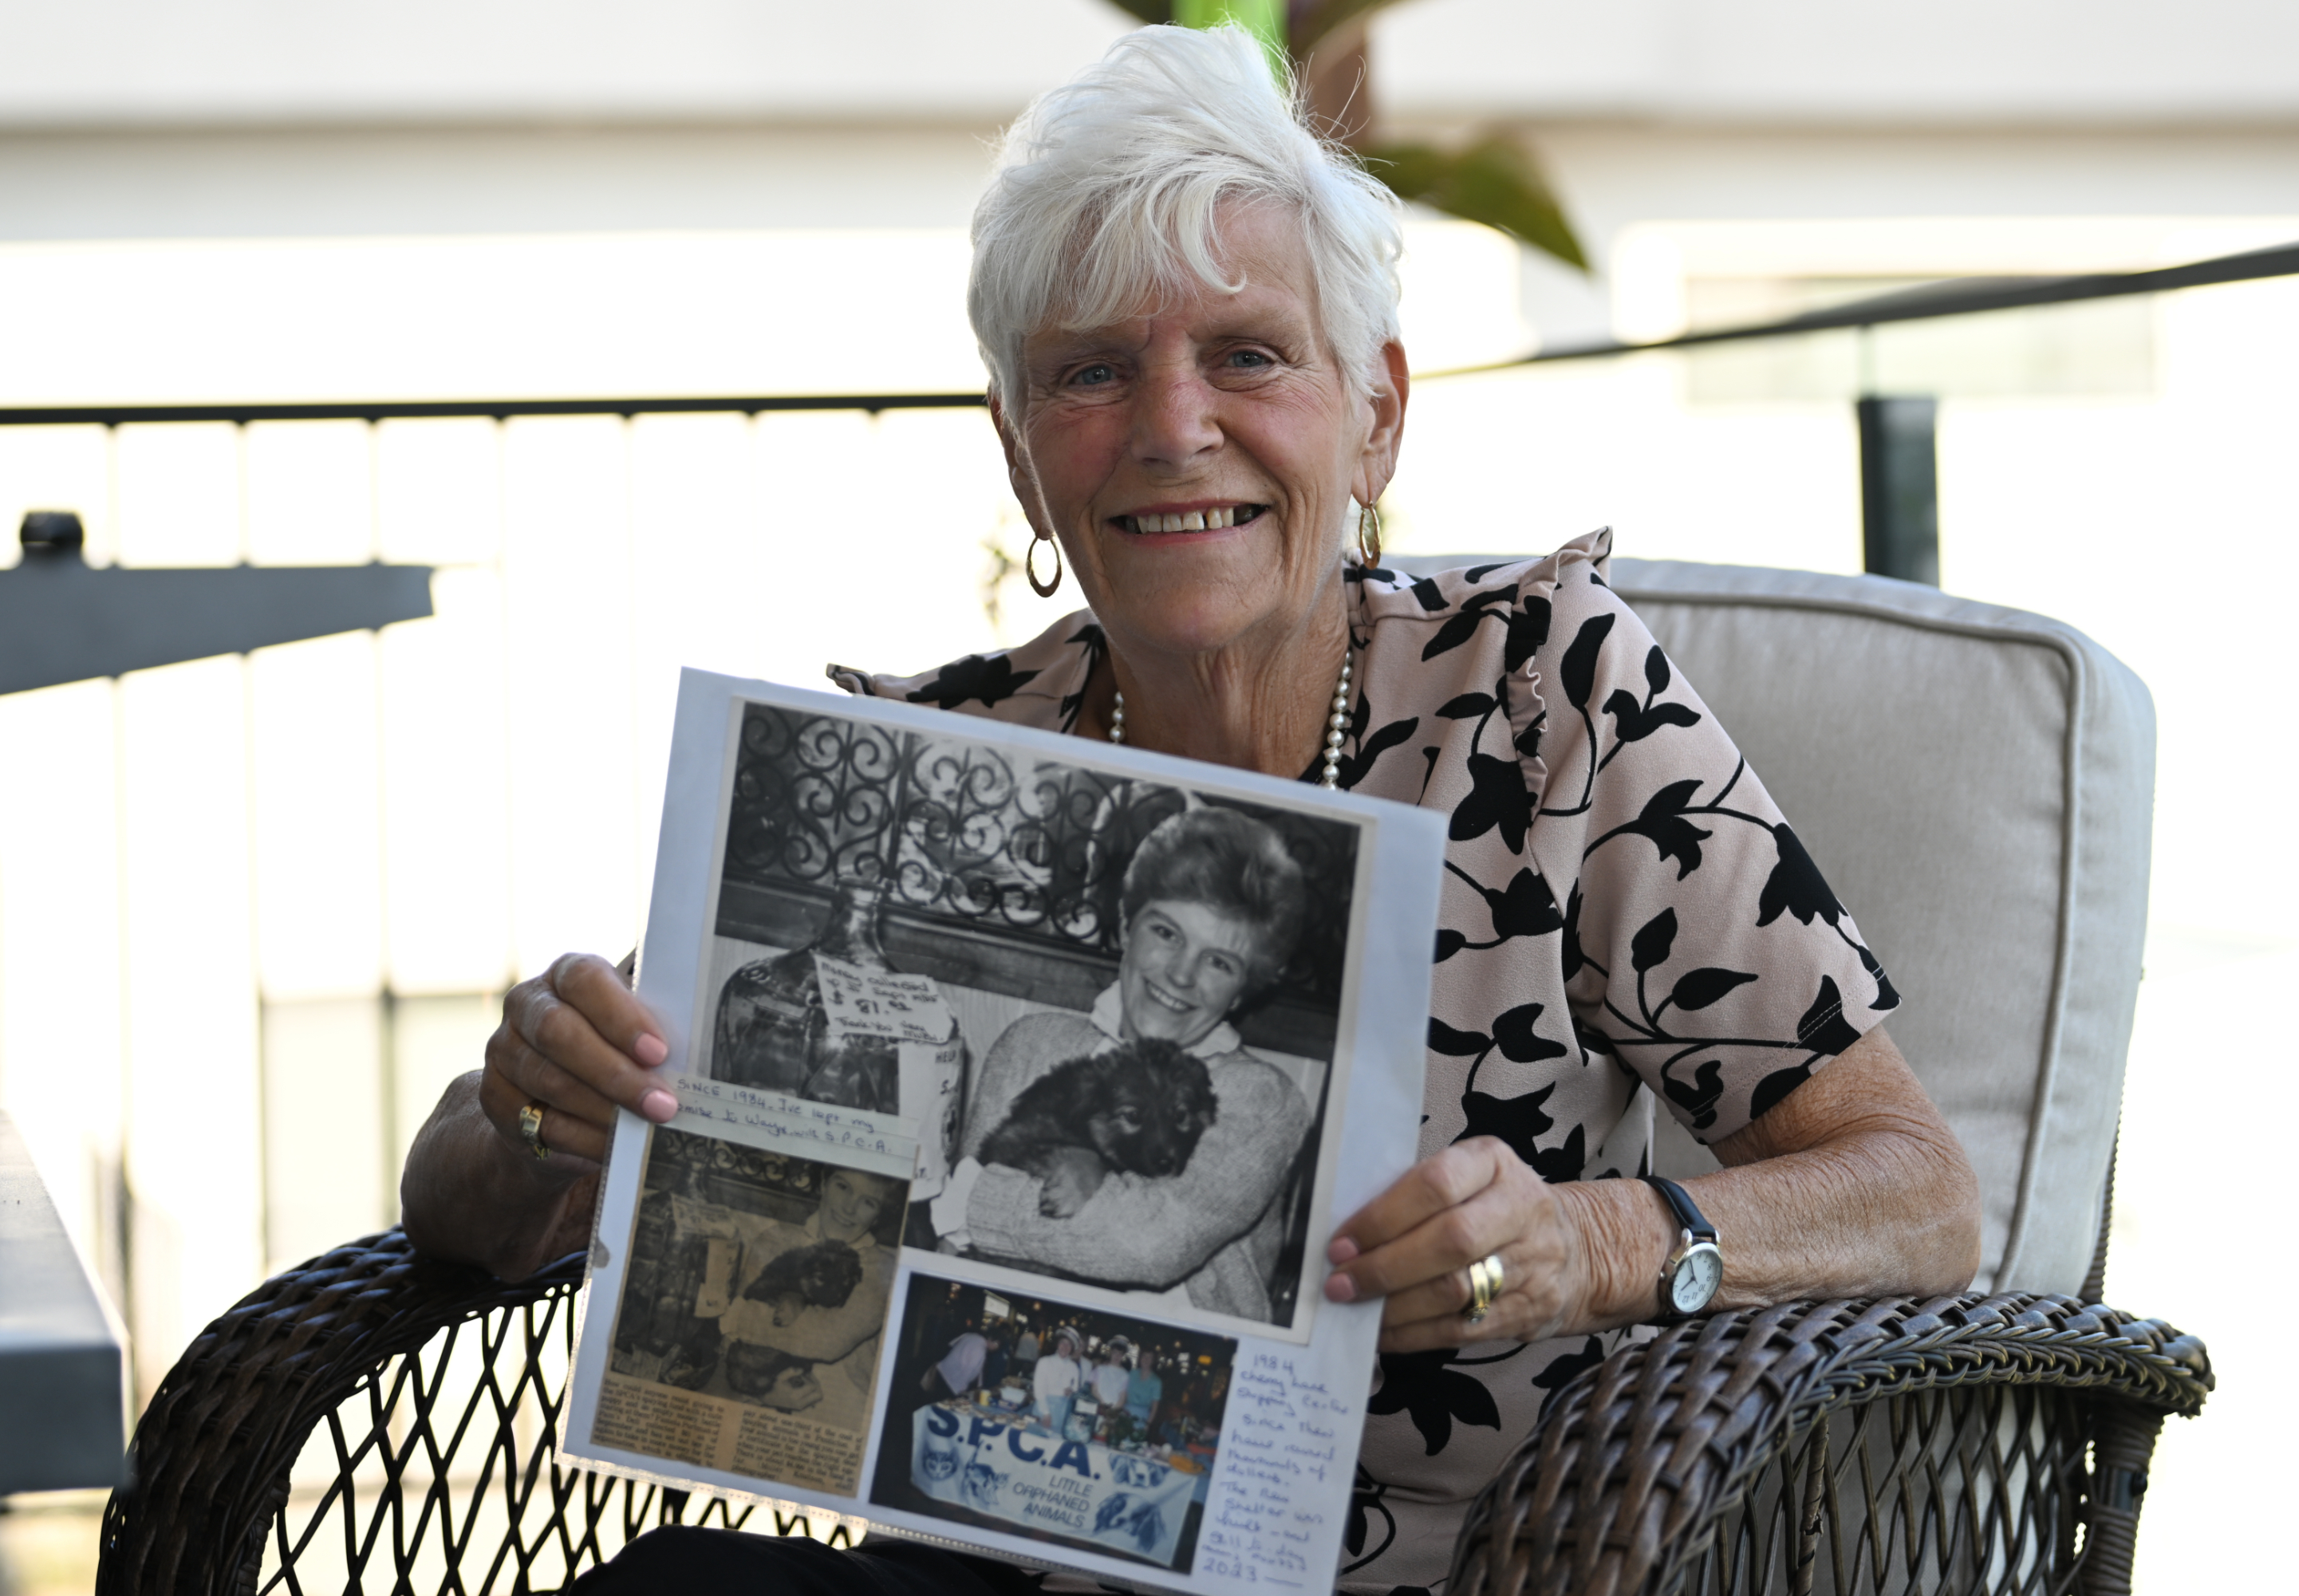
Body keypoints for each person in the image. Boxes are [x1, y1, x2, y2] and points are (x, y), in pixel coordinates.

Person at [400, 24, 1978, 1594]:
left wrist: (1596, 1242)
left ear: (1376, 414)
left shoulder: (1540, 698)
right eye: (1090, 372)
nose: (1171, 428)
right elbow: (474, 1208)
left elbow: (1918, 1192)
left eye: (1248, 353)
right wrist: (538, 1104)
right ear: (1023, 460)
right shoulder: (935, 749)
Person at [930, 805, 1310, 1321]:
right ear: (1128, 925)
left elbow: (1145, 1245)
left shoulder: (1261, 1097)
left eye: (1219, 961)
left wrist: (977, 1198)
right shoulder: (1031, 1045)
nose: (1181, 974)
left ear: (1244, 989)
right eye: (1167, 933)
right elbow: (956, 1252)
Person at [664, 1166, 903, 1432]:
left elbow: (824, 1341)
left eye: (868, 1202)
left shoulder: (882, 1269)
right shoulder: (775, 1240)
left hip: (837, 1416)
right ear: (823, 1184)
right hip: (759, 1404)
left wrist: (736, 1315)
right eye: (843, 1187)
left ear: (879, 1215)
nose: (849, 1208)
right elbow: (730, 1345)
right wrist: (763, 1393)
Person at [1031, 1328, 1088, 1436]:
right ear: (1057, 1344)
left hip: (1062, 1412)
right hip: (1043, 1408)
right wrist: (1046, 1413)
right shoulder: (1044, 1362)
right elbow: (1038, 1390)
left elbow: (1075, 1392)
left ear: (1072, 1348)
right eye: (1062, 1343)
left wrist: (1071, 1393)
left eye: (1069, 1345)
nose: (1065, 1347)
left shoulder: (1074, 1367)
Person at [1125, 1348, 1165, 1435]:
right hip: (1126, 1413)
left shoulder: (1156, 1382)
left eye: (1149, 1358)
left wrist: (1147, 1425)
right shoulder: (1132, 1374)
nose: (1146, 1360)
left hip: (1142, 1418)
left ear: (1153, 1361)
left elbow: (1154, 1408)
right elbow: (1124, 1394)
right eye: (1144, 1356)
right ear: (1140, 1358)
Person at [1090, 1337, 1133, 1413]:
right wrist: (1103, 1404)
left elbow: (1122, 1397)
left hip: (1113, 1411)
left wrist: (1113, 1410)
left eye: (1120, 1354)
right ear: (1111, 1352)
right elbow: (1094, 1390)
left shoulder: (1125, 1375)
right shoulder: (1100, 1369)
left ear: (1123, 1356)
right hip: (1098, 1406)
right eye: (1115, 1352)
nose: (1117, 1356)